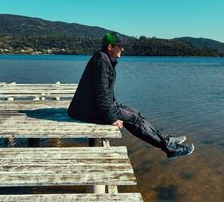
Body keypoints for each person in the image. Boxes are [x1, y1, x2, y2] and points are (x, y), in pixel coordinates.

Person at [68, 32, 194, 160]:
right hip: (87, 110)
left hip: (94, 105)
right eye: (119, 46)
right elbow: (101, 95)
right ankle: (170, 149)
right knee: (134, 120)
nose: (122, 48)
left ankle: (166, 138)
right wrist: (111, 118)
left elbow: (105, 92)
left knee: (135, 113)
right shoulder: (101, 61)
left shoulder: (105, 59)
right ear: (110, 47)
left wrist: (114, 107)